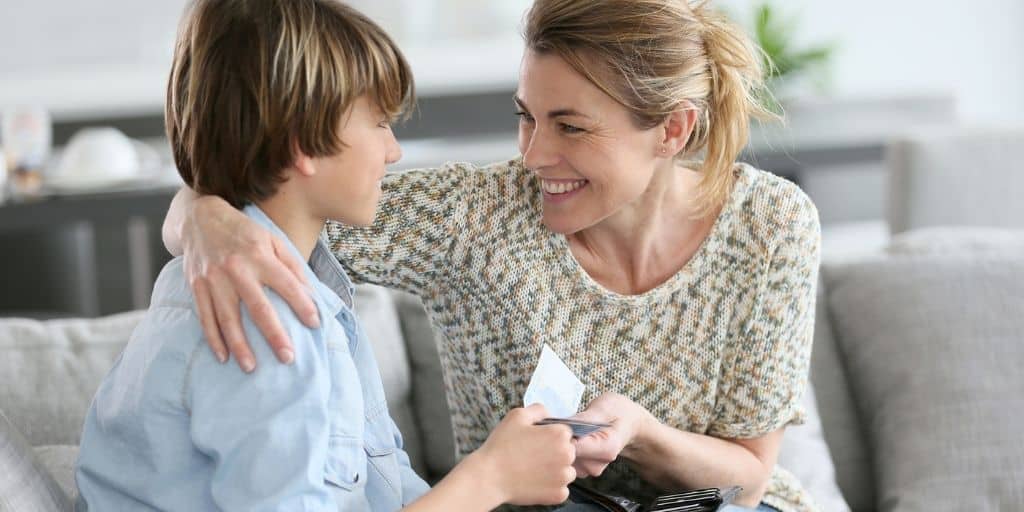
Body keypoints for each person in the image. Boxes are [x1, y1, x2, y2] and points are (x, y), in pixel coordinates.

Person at [163, 0, 822, 510]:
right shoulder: (472, 218)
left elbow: (751, 474)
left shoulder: (770, 227)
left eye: (569, 126)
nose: (533, 155)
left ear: (672, 129)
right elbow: (274, 191)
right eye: (525, 116)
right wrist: (202, 216)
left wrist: (641, 432)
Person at [74, 1, 577, 510]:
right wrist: (489, 478)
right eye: (380, 123)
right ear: (303, 143)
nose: (393, 150)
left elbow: (381, 484)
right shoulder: (267, 324)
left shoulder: (301, 292)